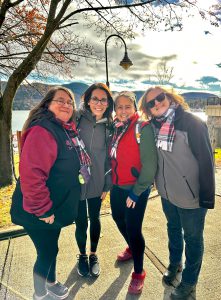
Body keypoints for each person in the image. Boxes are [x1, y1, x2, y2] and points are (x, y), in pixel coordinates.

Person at [139, 86, 215, 300]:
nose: (156, 104)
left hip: (192, 197)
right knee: (173, 229)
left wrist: (207, 197)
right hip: (166, 194)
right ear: (147, 110)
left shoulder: (192, 122)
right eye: (150, 103)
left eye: (160, 98)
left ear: (169, 97)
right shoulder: (152, 127)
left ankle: (189, 282)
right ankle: (175, 264)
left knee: (193, 239)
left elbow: (207, 162)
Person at [10, 86, 85, 300]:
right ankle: (40, 294)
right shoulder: (43, 130)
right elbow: (32, 175)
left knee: (51, 248)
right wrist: (43, 210)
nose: (66, 105)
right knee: (47, 252)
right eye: (60, 100)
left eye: (70, 102)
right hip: (39, 210)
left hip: (54, 207)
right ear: (47, 104)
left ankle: (51, 282)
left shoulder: (63, 129)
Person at [109, 91, 157, 294]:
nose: (123, 110)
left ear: (135, 108)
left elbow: (150, 165)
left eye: (127, 106)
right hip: (117, 186)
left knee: (134, 228)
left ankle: (139, 272)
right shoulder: (116, 128)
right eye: (119, 106)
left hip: (136, 188)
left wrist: (136, 192)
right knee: (118, 219)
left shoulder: (142, 128)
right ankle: (132, 247)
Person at [74, 83, 113, 277]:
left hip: (98, 180)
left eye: (103, 99)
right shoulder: (77, 118)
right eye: (95, 98)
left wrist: (107, 184)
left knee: (95, 219)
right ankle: (81, 255)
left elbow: (110, 159)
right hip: (78, 180)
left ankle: (93, 254)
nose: (99, 102)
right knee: (81, 221)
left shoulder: (110, 125)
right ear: (88, 100)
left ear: (108, 103)